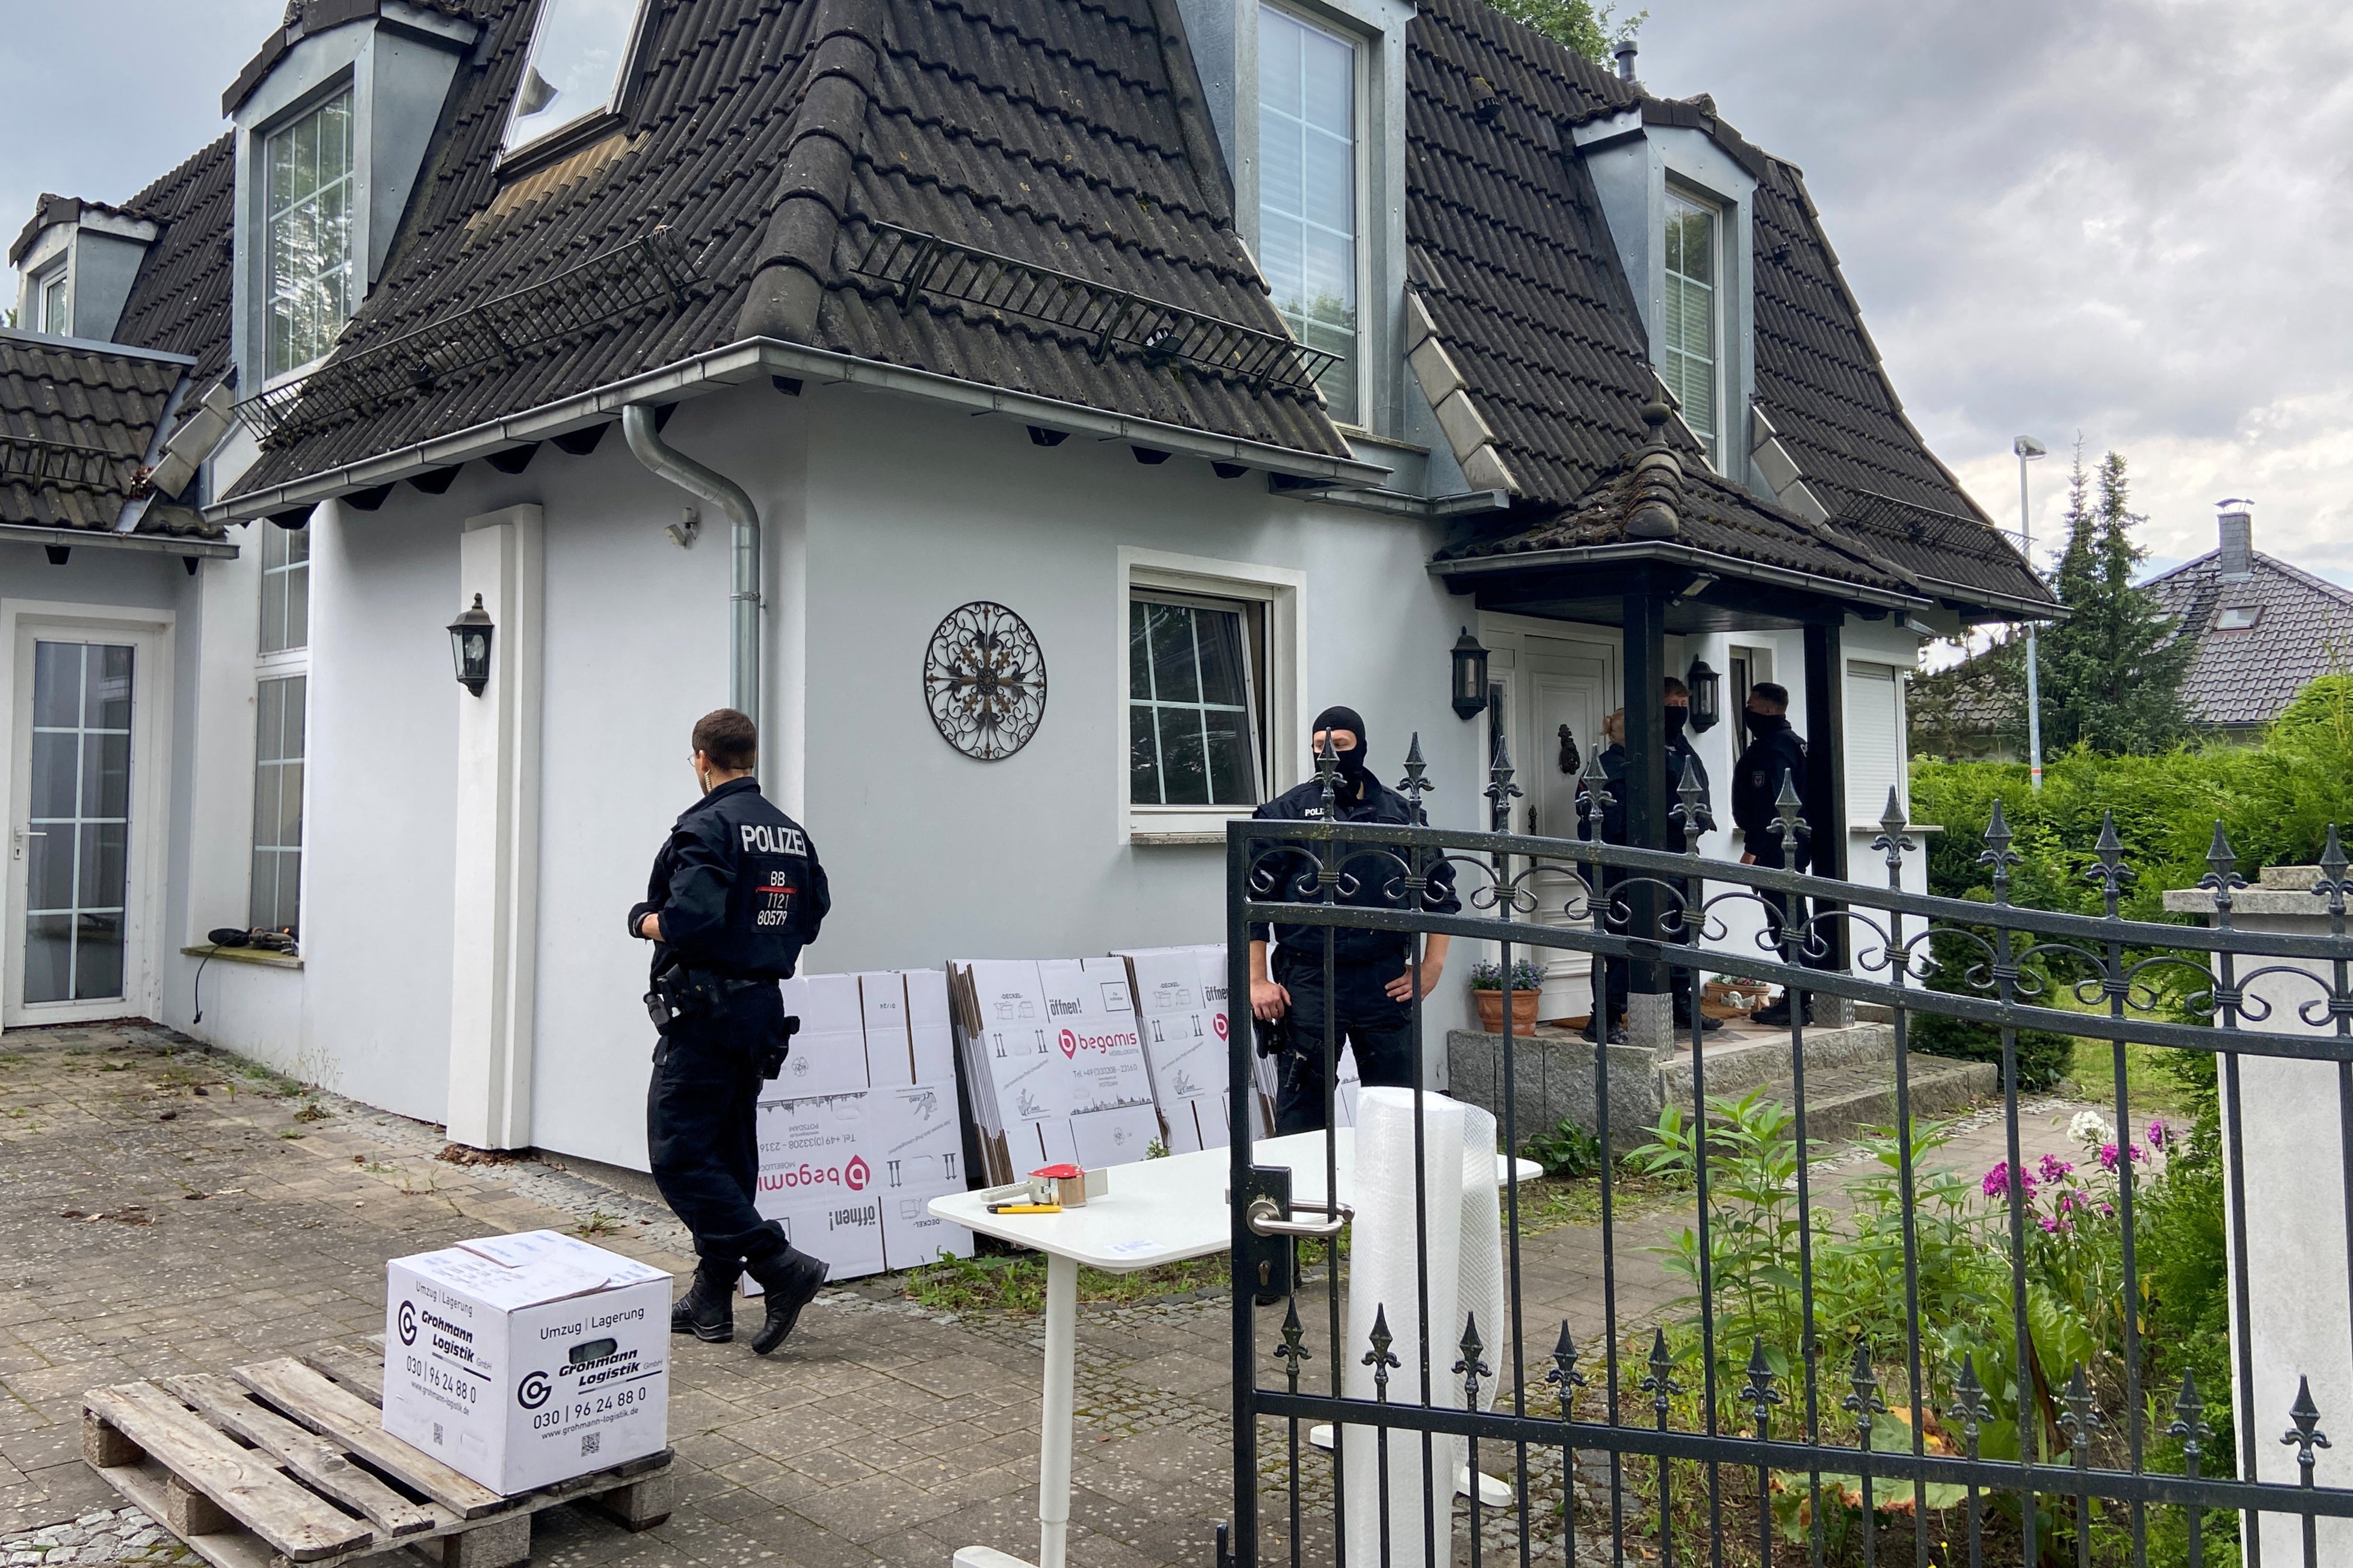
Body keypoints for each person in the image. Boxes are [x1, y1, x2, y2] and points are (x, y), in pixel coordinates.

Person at [629, 709, 831, 1355]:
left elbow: (688, 920)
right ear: (749, 755)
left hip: (707, 1010)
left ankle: (779, 1266)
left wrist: (642, 921)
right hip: (759, 1010)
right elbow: (814, 913)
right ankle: (712, 1300)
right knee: (728, 1152)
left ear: (701, 758)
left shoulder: (706, 826)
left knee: (680, 1154)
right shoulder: (790, 834)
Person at [1247, 706, 1460, 1134]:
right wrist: (1256, 980)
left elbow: (1441, 895)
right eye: (1318, 747)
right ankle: (1308, 1197)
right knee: (1303, 1112)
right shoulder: (1284, 812)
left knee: (1397, 1108)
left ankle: (1397, 1197)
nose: (1328, 755)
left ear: (1361, 746)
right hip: (1308, 977)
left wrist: (1431, 967)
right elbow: (1253, 904)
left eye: (1340, 746)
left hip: (1382, 977)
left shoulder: (1400, 813)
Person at [1579, 683, 1721, 1042]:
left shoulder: (1670, 750)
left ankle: (1678, 1005)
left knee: (1678, 935)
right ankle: (1605, 1018)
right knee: (1627, 946)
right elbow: (1622, 824)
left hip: (1670, 861)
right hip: (1624, 870)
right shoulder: (1614, 768)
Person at [1732, 681, 1815, 1026]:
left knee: (1785, 922)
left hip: (1779, 848)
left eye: (1751, 705)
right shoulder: (1796, 744)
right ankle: (1801, 994)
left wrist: (1753, 849)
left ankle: (1799, 998)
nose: (1747, 710)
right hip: (1792, 846)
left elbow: (1772, 805)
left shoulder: (1773, 749)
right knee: (1792, 918)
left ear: (1766, 710)